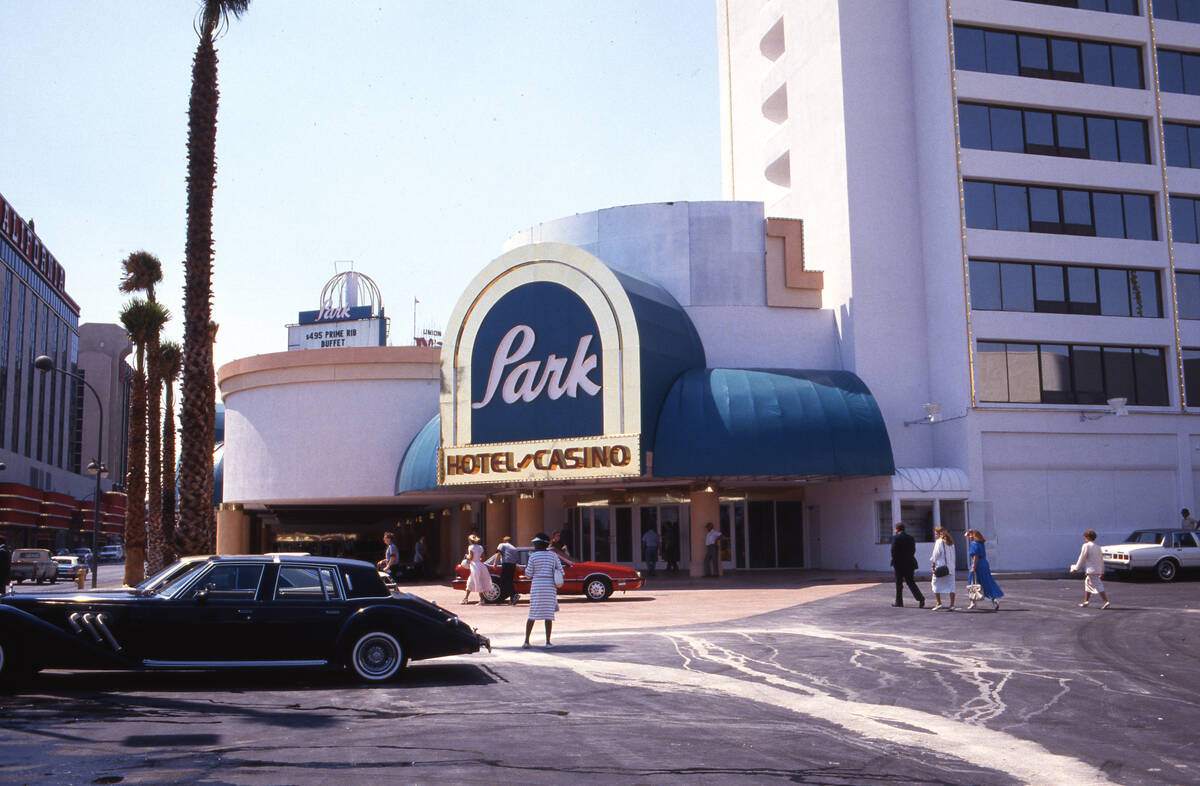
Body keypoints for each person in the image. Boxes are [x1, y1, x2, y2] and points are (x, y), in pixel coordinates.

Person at [523, 533, 559, 648]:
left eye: (535, 543)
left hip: (537, 585)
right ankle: (548, 642)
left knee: (532, 613)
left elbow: (528, 574)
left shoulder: (533, 556)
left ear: (539, 544)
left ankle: (526, 641)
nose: (534, 544)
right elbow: (561, 571)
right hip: (549, 586)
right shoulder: (553, 556)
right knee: (548, 615)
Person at [1070, 529, 1110, 609]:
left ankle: (1106, 601)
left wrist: (1076, 568)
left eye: (1085, 537)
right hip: (1097, 569)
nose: (1085, 539)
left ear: (1087, 537)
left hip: (1091, 570)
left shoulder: (1086, 545)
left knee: (1098, 585)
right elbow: (1101, 560)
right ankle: (1086, 601)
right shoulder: (1098, 547)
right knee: (1087, 583)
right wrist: (1102, 571)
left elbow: (1082, 557)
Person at [965, 529, 1003, 611]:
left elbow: (975, 556)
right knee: (987, 581)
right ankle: (994, 599)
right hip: (984, 563)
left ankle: (973, 602)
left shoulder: (974, 544)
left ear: (973, 535)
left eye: (969, 535)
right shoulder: (981, 543)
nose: (968, 537)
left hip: (977, 564)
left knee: (972, 583)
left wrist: (973, 567)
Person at [889, 523, 924, 608]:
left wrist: (896, 560)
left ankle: (899, 602)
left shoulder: (895, 538)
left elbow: (893, 551)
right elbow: (913, 550)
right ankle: (920, 598)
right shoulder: (911, 538)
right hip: (909, 563)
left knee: (899, 583)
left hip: (899, 564)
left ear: (897, 529)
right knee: (911, 582)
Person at [929, 526, 956, 611]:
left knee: (935, 583)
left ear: (938, 534)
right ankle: (952, 605)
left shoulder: (939, 542)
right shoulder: (951, 542)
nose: (935, 536)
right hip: (950, 568)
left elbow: (935, 555)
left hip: (941, 567)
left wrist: (933, 565)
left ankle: (939, 603)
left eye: (936, 534)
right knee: (951, 586)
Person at [462, 534, 491, 604]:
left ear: (470, 540)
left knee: (475, 581)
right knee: (472, 581)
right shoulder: (480, 547)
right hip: (480, 565)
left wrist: (467, 556)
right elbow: (483, 558)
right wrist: (477, 559)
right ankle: (466, 599)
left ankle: (481, 600)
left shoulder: (471, 547)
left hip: (474, 565)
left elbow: (471, 557)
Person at [493, 535, 521, 605]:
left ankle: (513, 594)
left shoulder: (502, 545)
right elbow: (516, 560)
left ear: (504, 541)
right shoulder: (514, 548)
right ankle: (512, 598)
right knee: (509, 581)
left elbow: (498, 554)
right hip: (512, 565)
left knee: (503, 581)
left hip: (506, 564)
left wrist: (495, 564)